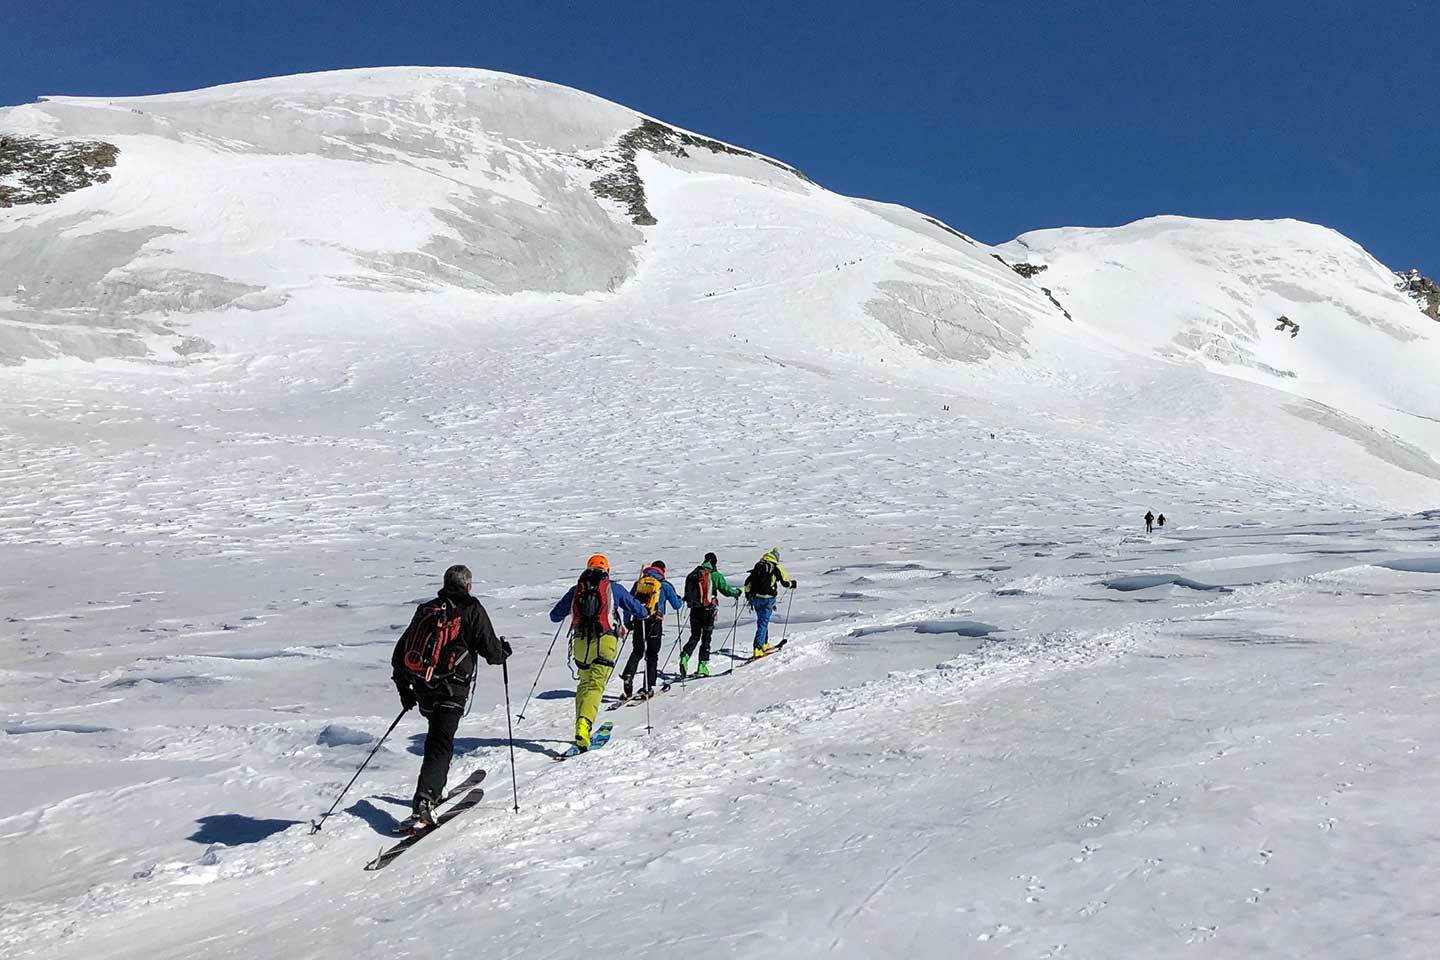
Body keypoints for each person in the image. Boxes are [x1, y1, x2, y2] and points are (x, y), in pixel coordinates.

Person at [392, 564, 508, 830]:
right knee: (440, 742)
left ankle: (434, 788)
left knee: (438, 737)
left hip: (423, 688)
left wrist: (404, 691)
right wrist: (504, 652)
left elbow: (401, 653)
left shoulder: (427, 609)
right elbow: (491, 652)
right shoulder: (471, 609)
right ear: (468, 585)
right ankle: (425, 799)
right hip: (452, 688)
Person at [549, 554, 649, 751]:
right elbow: (639, 610)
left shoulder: (577, 589)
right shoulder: (614, 588)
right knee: (596, 686)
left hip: (580, 643)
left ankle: (581, 726)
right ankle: (584, 726)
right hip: (605, 640)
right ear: (607, 571)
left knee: (584, 683)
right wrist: (644, 611)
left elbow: (554, 616)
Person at [621, 560, 682, 699]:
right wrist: (680, 600)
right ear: (662, 570)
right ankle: (647, 687)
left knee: (637, 651)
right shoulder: (664, 585)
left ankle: (628, 674)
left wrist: (627, 621)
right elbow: (677, 605)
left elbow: (629, 602)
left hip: (638, 621)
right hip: (655, 622)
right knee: (652, 654)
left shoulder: (639, 583)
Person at [680, 552, 743, 676]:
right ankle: (702, 666)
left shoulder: (693, 574)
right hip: (708, 610)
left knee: (695, 636)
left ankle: (685, 656)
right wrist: (736, 592)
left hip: (695, 609)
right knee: (706, 638)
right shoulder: (714, 575)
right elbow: (726, 590)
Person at [743, 547, 797, 656]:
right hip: (768, 599)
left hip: (756, 598)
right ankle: (757, 647)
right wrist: (792, 584)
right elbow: (785, 582)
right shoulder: (775, 566)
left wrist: (748, 596)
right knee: (763, 622)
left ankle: (765, 643)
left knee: (762, 621)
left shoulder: (759, 565)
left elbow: (748, 583)